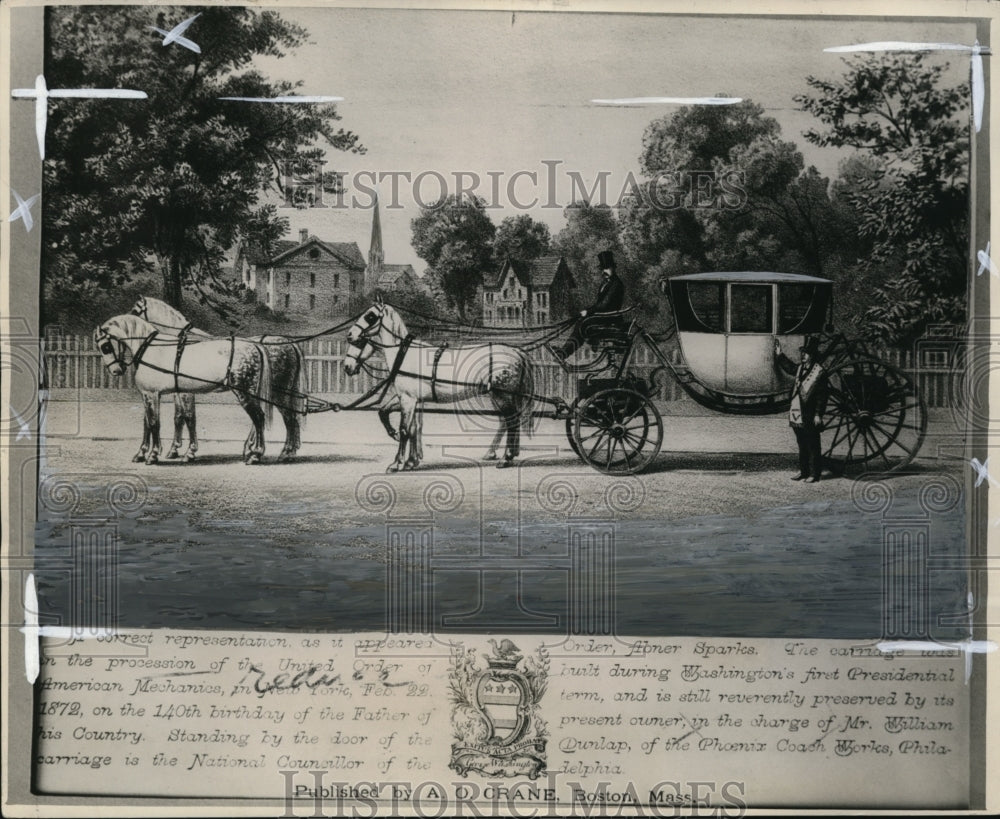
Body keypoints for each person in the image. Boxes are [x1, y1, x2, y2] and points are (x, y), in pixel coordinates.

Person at [555, 250, 625, 360]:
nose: (604, 271)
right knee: (581, 322)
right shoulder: (605, 283)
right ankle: (564, 351)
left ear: (613, 268)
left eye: (607, 268)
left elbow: (604, 305)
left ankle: (564, 353)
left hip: (611, 318)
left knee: (583, 324)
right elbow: (599, 304)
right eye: (602, 268)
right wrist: (587, 312)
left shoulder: (616, 284)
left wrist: (587, 312)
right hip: (603, 316)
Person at [775, 336, 827, 483]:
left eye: (806, 353)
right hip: (797, 412)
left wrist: (818, 414)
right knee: (802, 443)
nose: (803, 355)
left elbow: (822, 397)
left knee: (812, 444)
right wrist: (780, 354)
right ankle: (804, 472)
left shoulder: (819, 372)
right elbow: (790, 367)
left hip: (810, 414)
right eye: (803, 353)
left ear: (813, 356)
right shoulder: (800, 368)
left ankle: (814, 474)